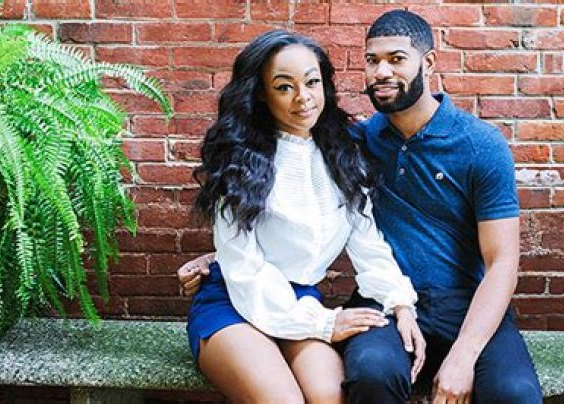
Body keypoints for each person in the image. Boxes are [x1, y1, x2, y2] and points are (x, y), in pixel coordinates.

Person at [181, 10, 543, 404]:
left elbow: (495, 260)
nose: (302, 97)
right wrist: (223, 257)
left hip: (351, 303)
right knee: (336, 386)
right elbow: (251, 245)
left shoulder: (355, 153)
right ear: (263, 94)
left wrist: (427, 325)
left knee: (510, 394)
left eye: (397, 59)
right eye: (373, 60)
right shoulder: (340, 146)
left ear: (428, 63)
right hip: (248, 301)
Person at [183, 29, 424, 404]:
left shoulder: (344, 156)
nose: (303, 97)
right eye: (284, 87)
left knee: (330, 397)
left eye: (312, 82)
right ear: (261, 94)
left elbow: (368, 244)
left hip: (300, 301)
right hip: (232, 302)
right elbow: (243, 267)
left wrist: (400, 304)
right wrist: (325, 323)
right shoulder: (238, 162)